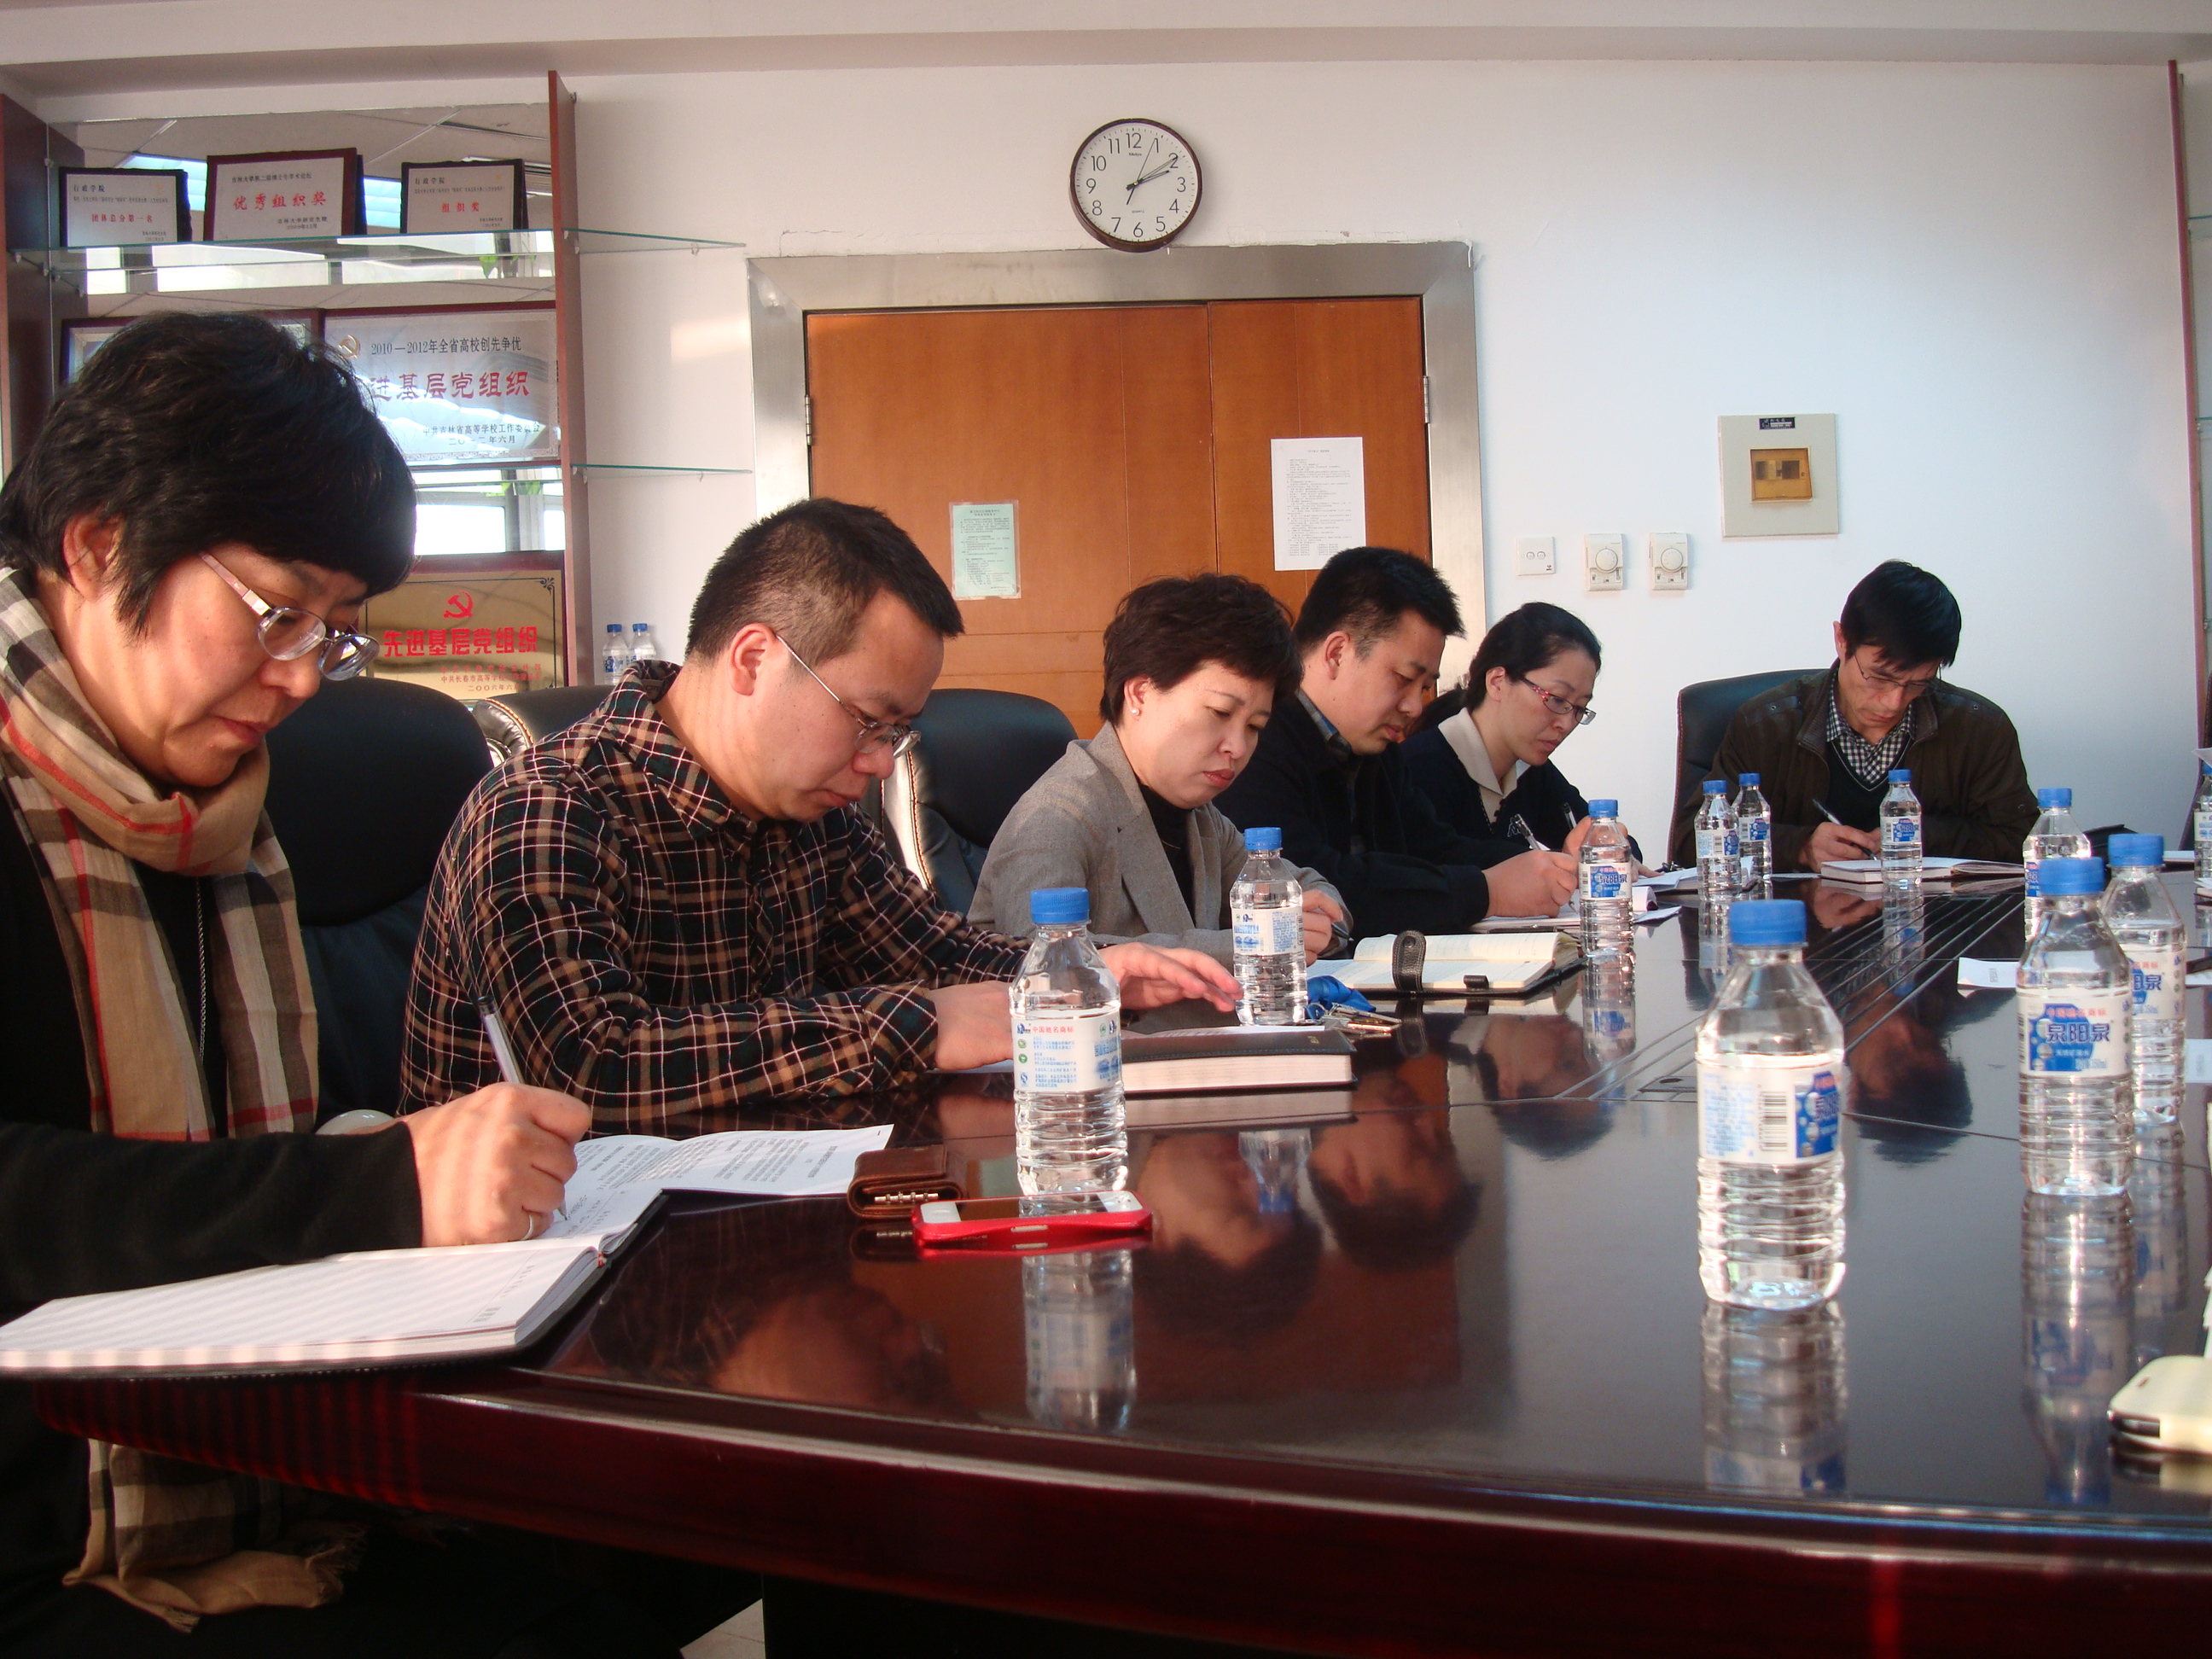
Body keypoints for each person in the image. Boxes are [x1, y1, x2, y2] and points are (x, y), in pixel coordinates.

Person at [0, 314, 712, 1656]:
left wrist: (404, 1157)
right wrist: (381, 1183)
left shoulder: (221, 816)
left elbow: (261, 1139)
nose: (298, 678)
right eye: (276, 612)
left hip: (282, 1452)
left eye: (331, 633)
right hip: (53, 1537)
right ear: (96, 547)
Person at [402, 498, 1238, 1126]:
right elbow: (590, 1065)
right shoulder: (547, 809)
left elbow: (936, 955)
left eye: (897, 732)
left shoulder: (813, 816)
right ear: (754, 659)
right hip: (562, 1272)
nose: (880, 762)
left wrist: (1090, 968)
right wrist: (915, 1027)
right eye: (868, 720)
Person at [970, 573, 1346, 965]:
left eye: (1254, 727)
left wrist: (1316, 918)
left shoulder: (1203, 821)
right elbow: (1041, 959)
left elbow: (1308, 888)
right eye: (1219, 713)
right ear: (1140, 694)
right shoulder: (1057, 816)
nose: (1237, 747)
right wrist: (1253, 941)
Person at [1213, 547, 1578, 936]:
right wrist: (1486, 891)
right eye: (1404, 679)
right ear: (1337, 653)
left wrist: (1547, 867)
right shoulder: (1257, 742)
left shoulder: (1375, 751)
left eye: (1425, 686)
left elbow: (1435, 848)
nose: (1414, 707)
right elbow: (1313, 885)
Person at [1668, 560, 2036, 871]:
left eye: (1918, 683)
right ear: (1842, 640)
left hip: (1936, 923)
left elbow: (2022, 841)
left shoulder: (1979, 730)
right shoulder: (1764, 726)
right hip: (1802, 927)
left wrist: (1923, 837)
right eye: (1879, 677)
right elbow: (1690, 842)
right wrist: (1799, 847)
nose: (1894, 702)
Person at [1401, 601, 1642, 859]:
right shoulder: (1420, 769)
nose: (1566, 724)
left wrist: (1613, 850)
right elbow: (1434, 871)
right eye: (1557, 699)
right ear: (1497, 682)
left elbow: (1608, 838)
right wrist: (1549, 864)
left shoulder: (1530, 770)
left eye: (1580, 708)